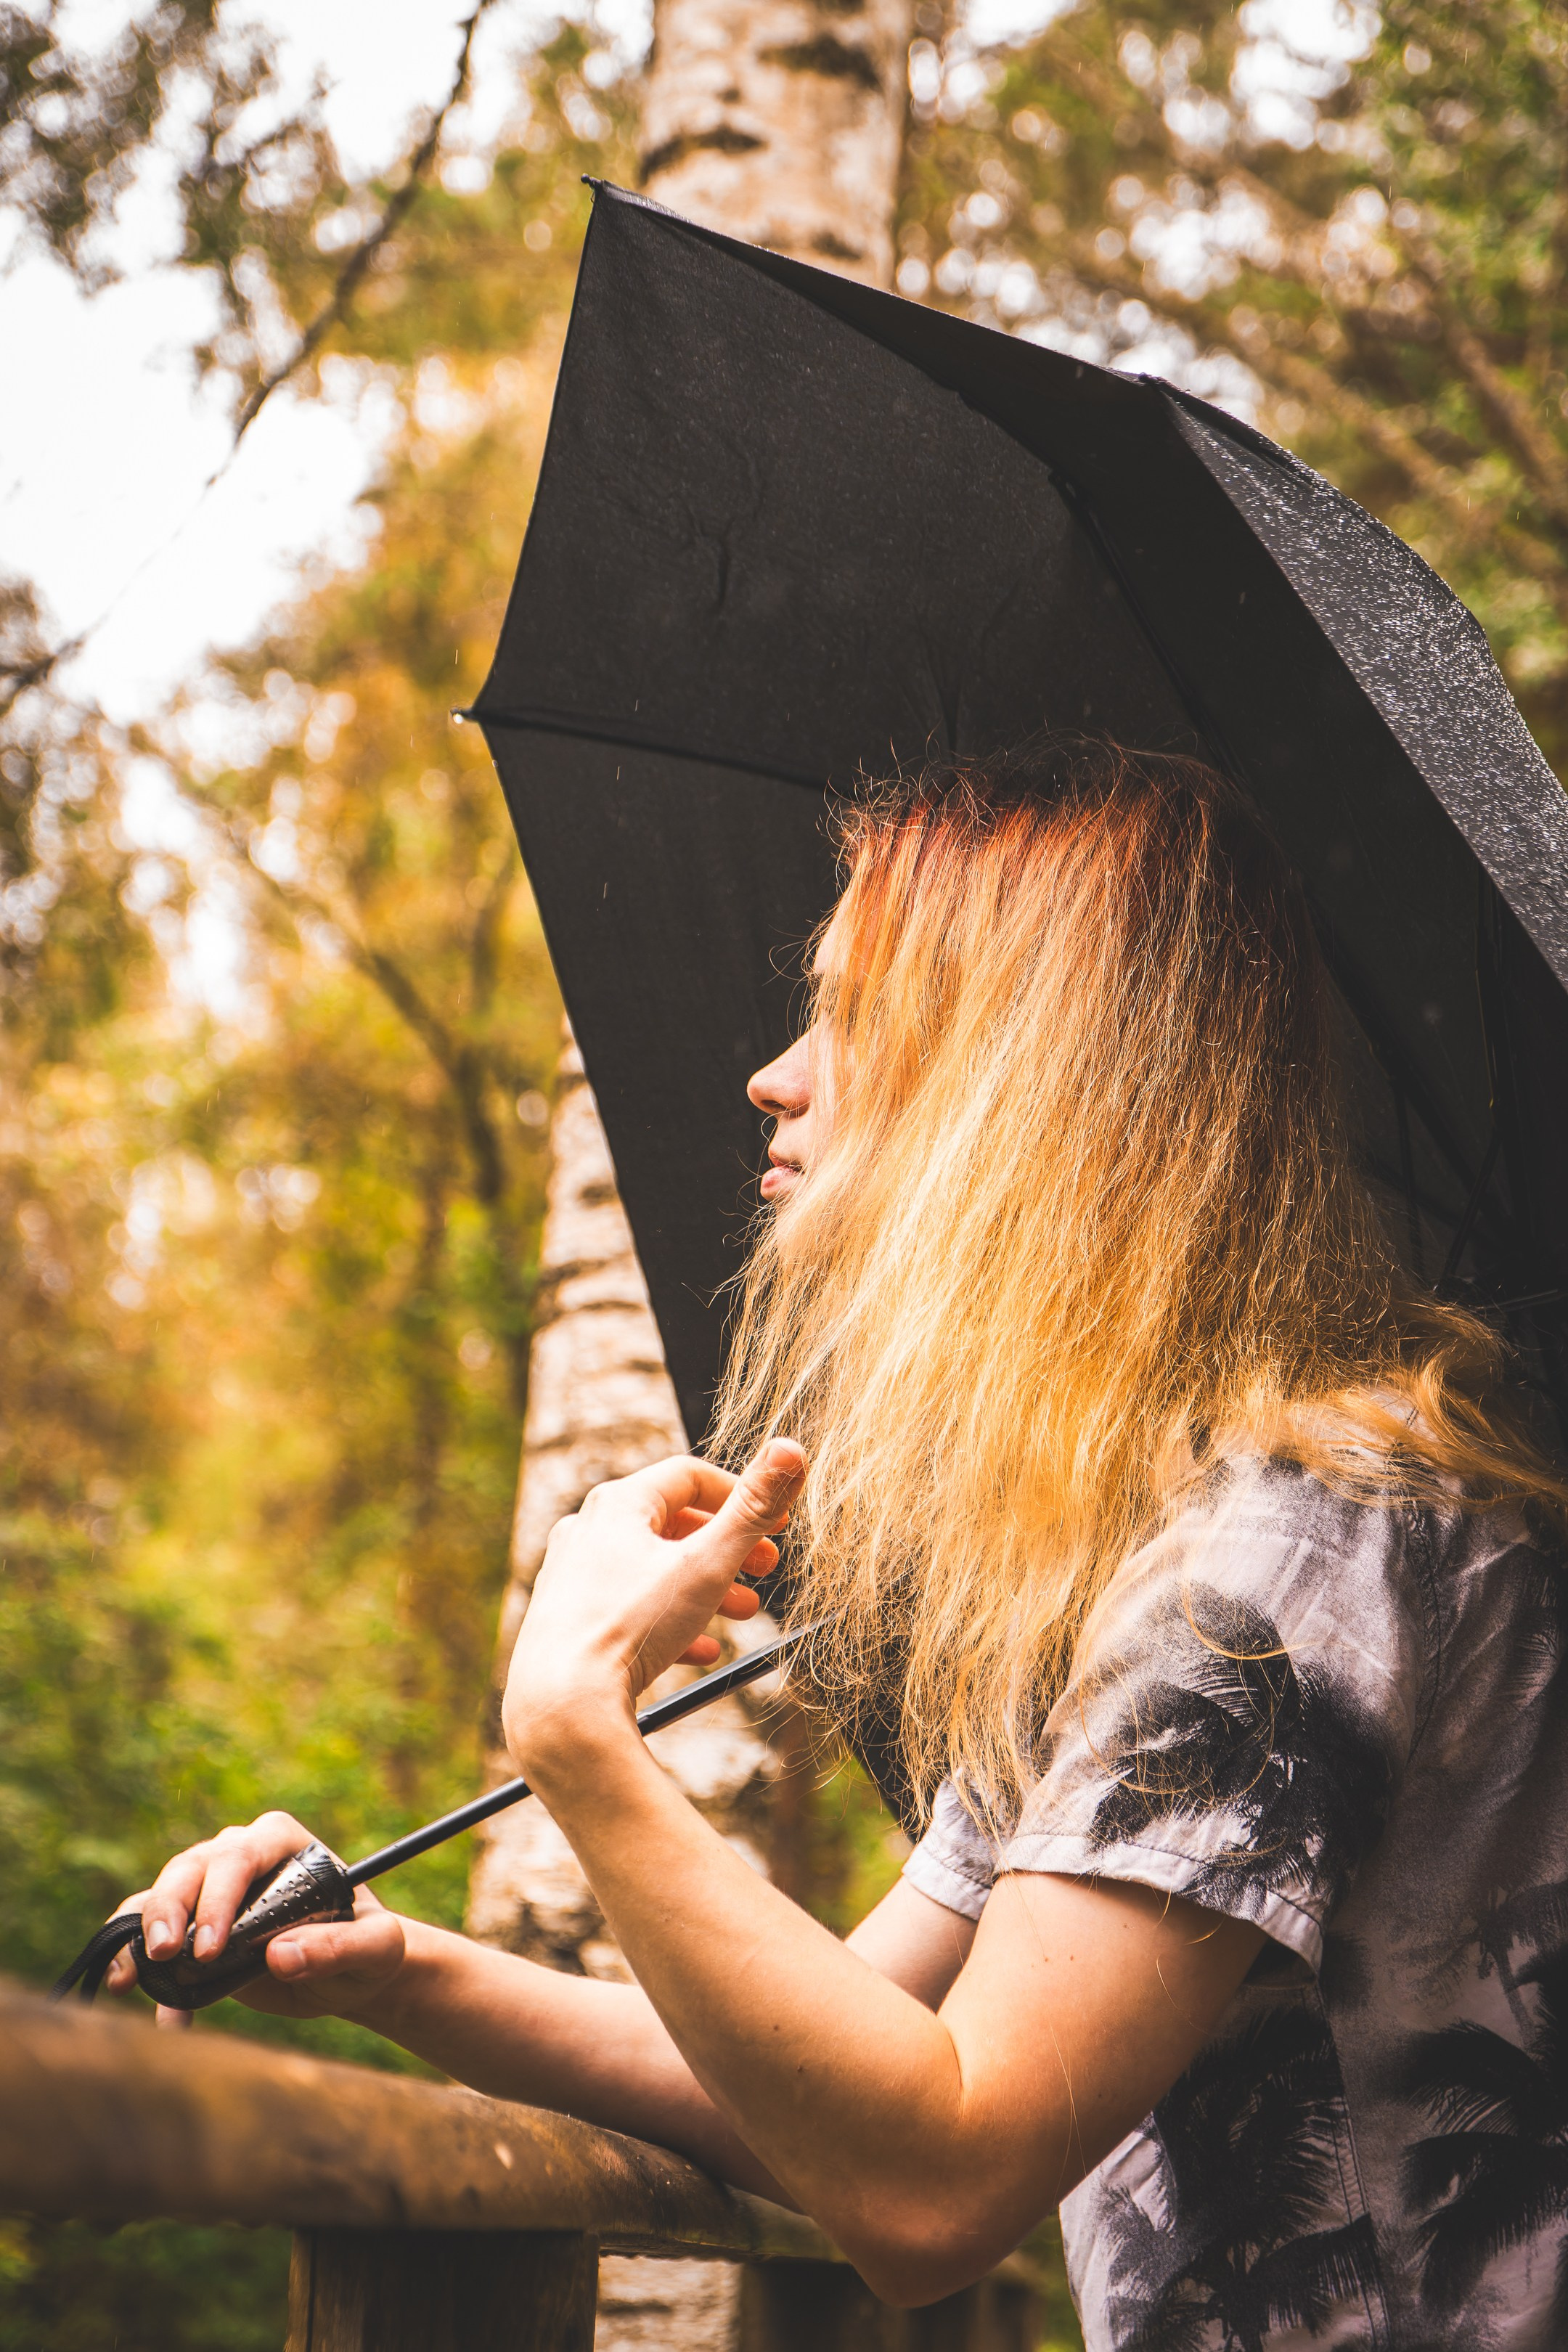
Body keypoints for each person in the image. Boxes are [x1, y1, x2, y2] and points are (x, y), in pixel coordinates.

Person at [109, 740, 1568, 2350]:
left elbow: (929, 2185)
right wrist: (393, 1968)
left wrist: (578, 1733)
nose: (776, 1075)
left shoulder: (1278, 1562)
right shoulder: (1133, 1563)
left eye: (851, 1016)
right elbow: (841, 2071)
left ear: (1023, 1084)